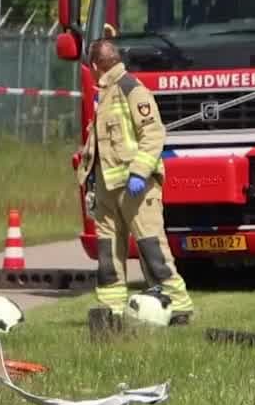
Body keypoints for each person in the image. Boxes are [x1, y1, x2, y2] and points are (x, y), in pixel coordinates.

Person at [82, 38, 196, 325]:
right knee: (108, 253)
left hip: (135, 187)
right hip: (108, 187)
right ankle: (111, 309)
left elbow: (154, 133)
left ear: (95, 66)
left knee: (151, 248)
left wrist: (139, 172)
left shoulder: (130, 89)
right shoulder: (105, 93)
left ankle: (178, 305)